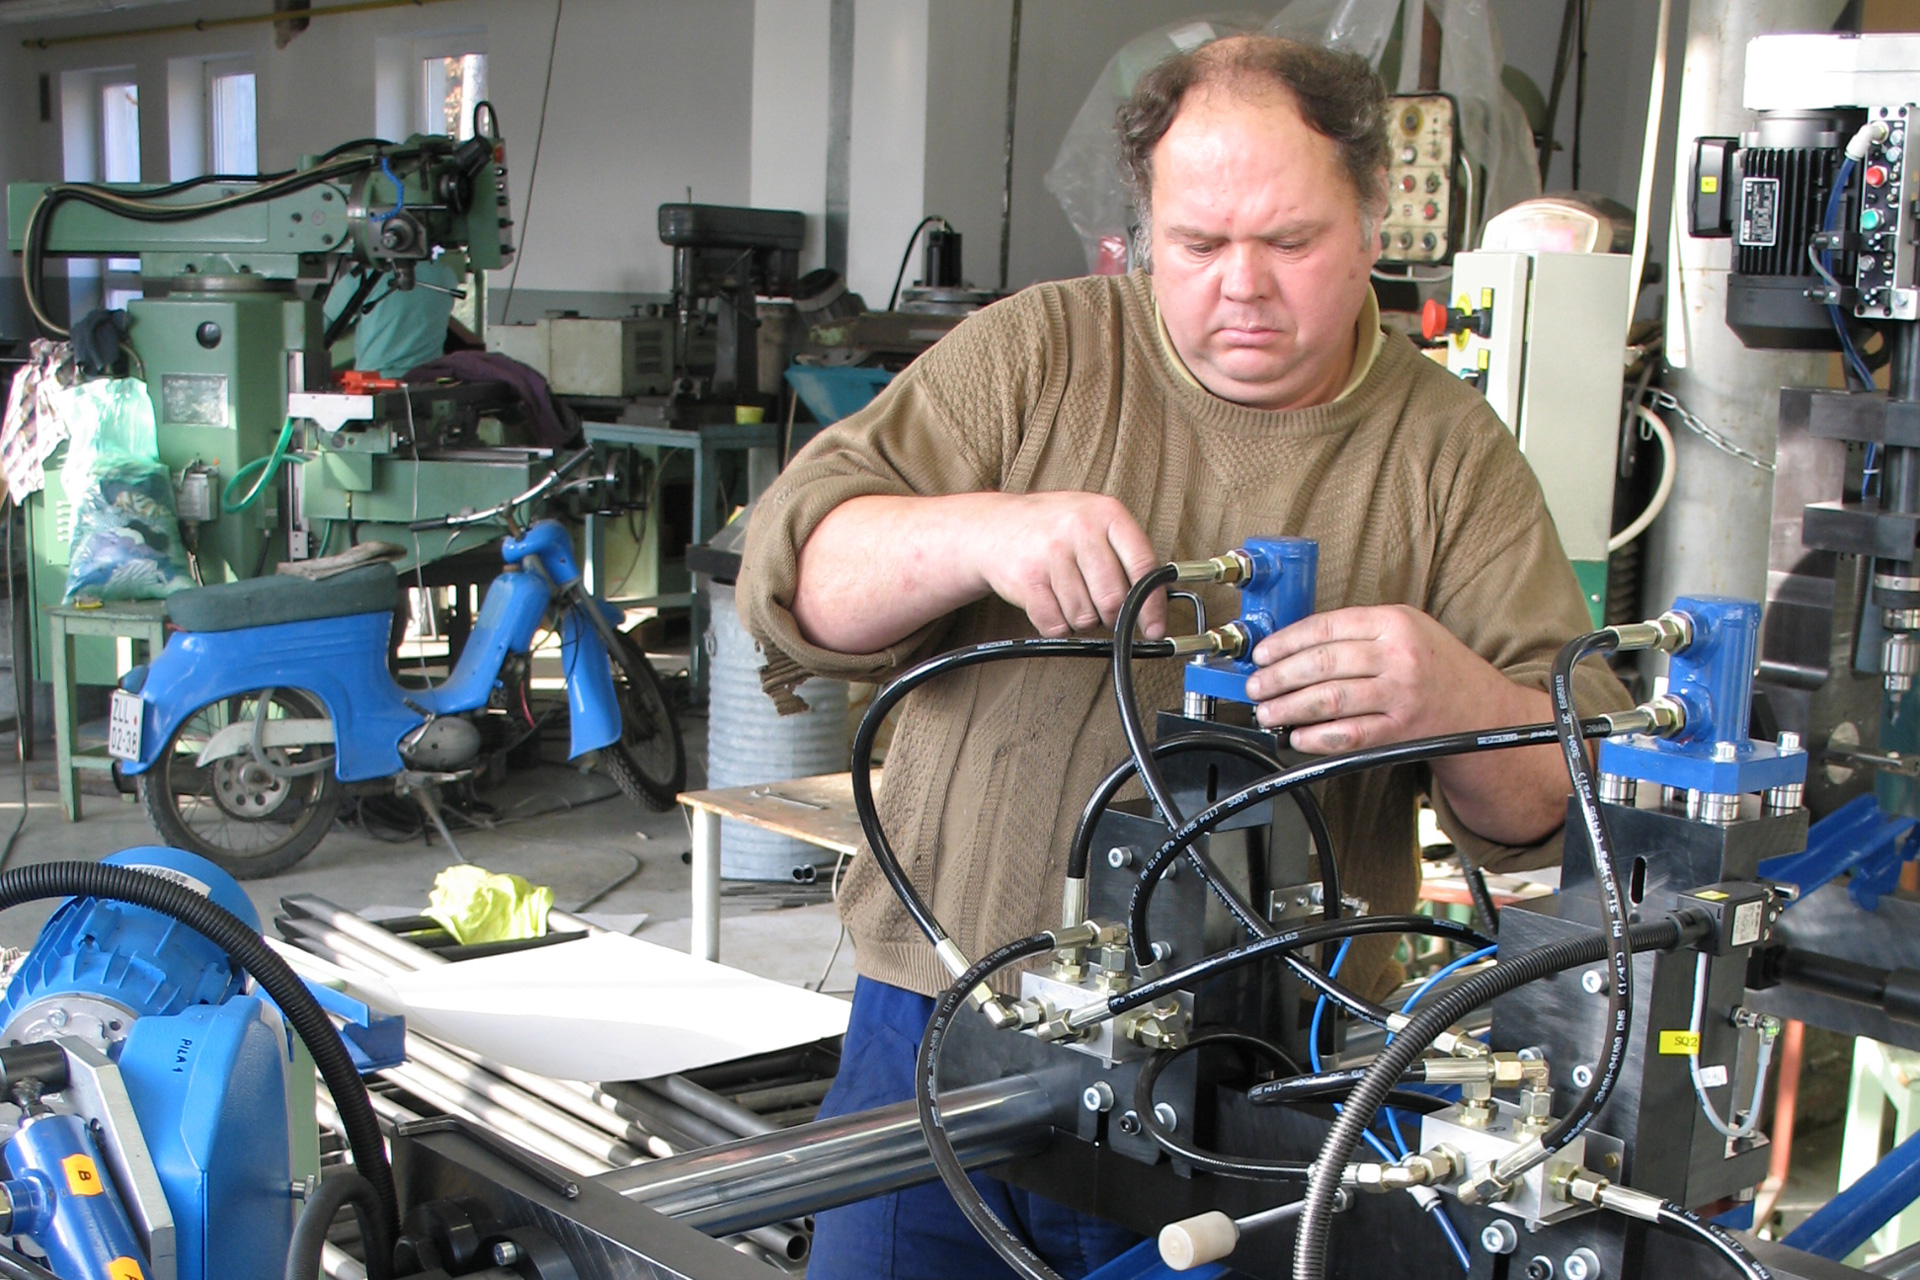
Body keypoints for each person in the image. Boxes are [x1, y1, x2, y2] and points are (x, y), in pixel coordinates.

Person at [738, 33, 1625, 1280]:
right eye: (1199, 245)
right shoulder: (1037, 354)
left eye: (1292, 241)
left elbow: (1566, 795)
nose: (1241, 286)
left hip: (1267, 1084)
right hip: (949, 1026)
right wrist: (978, 532)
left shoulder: (1447, 453)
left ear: (1373, 218)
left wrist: (1458, 700)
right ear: (1145, 231)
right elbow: (795, 580)